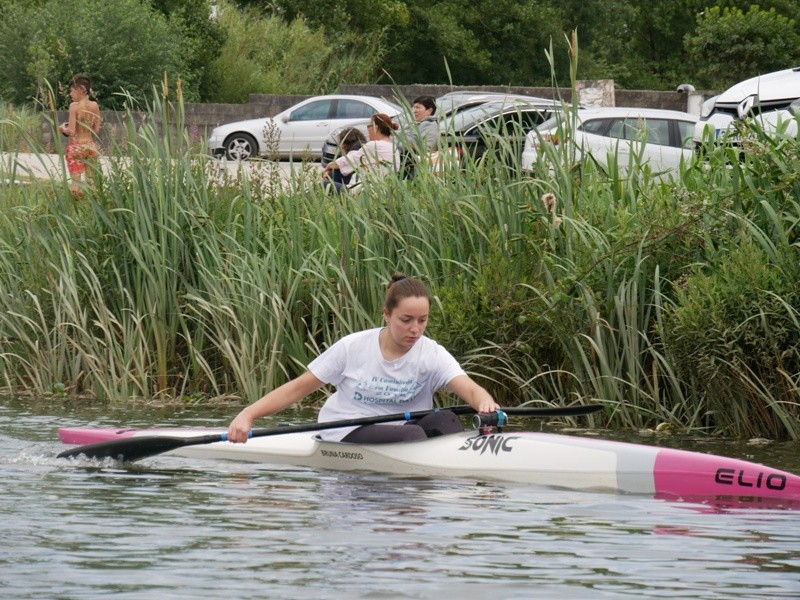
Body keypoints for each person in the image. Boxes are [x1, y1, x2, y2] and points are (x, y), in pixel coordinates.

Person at [227, 274, 499, 444]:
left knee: (446, 420)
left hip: (404, 428)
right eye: (406, 320)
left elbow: (469, 389)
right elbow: (298, 388)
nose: (415, 329)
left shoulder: (432, 353)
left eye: (422, 320)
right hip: (347, 428)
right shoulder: (352, 348)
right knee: (415, 437)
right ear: (387, 315)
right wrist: (248, 414)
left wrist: (484, 403)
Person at [321, 113, 400, 192]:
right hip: (384, 191)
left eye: (368, 126)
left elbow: (350, 161)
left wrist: (328, 167)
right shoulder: (394, 147)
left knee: (323, 184)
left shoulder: (374, 145)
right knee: (337, 172)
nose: (368, 130)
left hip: (363, 192)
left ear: (375, 128)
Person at [59, 75, 101, 197]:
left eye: (72, 90)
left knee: (76, 183)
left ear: (80, 90)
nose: (70, 94)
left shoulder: (74, 106)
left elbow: (72, 132)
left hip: (76, 148)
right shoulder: (95, 105)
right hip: (90, 146)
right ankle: (94, 204)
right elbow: (96, 130)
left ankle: (75, 204)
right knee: (92, 183)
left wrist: (62, 128)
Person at [398, 95, 438, 178]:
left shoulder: (430, 126)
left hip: (413, 169)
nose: (414, 111)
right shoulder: (415, 124)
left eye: (418, 107)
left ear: (429, 110)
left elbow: (426, 148)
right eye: (414, 107)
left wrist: (407, 145)